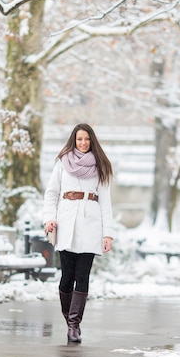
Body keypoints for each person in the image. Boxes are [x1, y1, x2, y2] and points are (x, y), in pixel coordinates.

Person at [43, 123, 114, 343]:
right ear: (74, 140)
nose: (83, 143)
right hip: (66, 223)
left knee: (82, 277)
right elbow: (51, 193)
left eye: (86, 139)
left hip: (91, 225)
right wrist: (49, 218)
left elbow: (106, 203)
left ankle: (74, 324)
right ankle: (68, 318)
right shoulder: (62, 163)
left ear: (92, 141)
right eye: (79, 139)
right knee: (67, 278)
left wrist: (108, 234)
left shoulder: (100, 166)